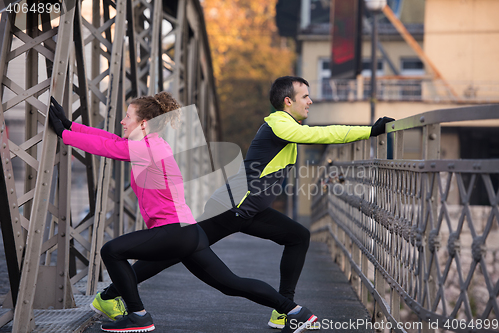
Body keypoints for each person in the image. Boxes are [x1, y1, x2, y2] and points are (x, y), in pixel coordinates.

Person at [79, 76, 394, 330]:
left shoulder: (285, 126)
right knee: (179, 251)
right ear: (288, 101)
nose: (310, 101)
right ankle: (111, 295)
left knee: (297, 236)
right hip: (233, 206)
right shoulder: (278, 124)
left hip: (248, 209)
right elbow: (324, 136)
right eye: (305, 96)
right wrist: (369, 130)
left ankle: (284, 310)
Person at [48, 93, 318, 333]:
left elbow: (108, 148)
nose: (122, 121)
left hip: (173, 231)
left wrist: (64, 135)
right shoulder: (152, 144)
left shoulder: (147, 148)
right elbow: (112, 140)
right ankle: (295, 311)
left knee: (111, 251)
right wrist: (72, 126)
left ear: (143, 123)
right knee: (231, 284)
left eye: (127, 116)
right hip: (189, 233)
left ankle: (138, 315)